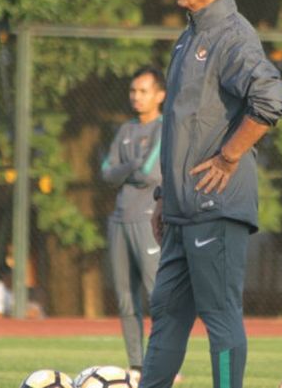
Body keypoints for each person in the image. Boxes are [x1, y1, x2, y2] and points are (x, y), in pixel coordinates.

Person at [139, 0, 282, 388]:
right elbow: (183, 126)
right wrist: (166, 196)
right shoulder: (188, 39)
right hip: (183, 213)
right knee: (165, 316)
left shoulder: (232, 35)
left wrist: (228, 158)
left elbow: (272, 99)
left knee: (220, 318)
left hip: (216, 206)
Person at [101, 66, 166, 379]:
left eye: (143, 91)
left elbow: (151, 174)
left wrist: (125, 169)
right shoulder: (125, 130)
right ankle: (137, 365)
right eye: (133, 91)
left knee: (157, 295)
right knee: (125, 298)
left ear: (160, 95)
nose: (136, 97)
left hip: (147, 220)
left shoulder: (164, 128)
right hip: (119, 221)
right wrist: (131, 165)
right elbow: (106, 173)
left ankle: (162, 363)